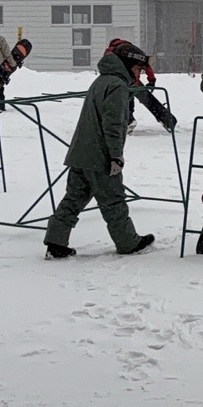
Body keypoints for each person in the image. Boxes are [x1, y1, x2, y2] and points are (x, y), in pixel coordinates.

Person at [43, 40, 156, 259]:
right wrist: (116, 156)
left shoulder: (101, 81)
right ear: (127, 65)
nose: (138, 74)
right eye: (137, 69)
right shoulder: (117, 86)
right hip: (100, 156)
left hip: (81, 153)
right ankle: (127, 242)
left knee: (73, 198)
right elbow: (113, 125)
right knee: (113, 200)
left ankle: (56, 241)